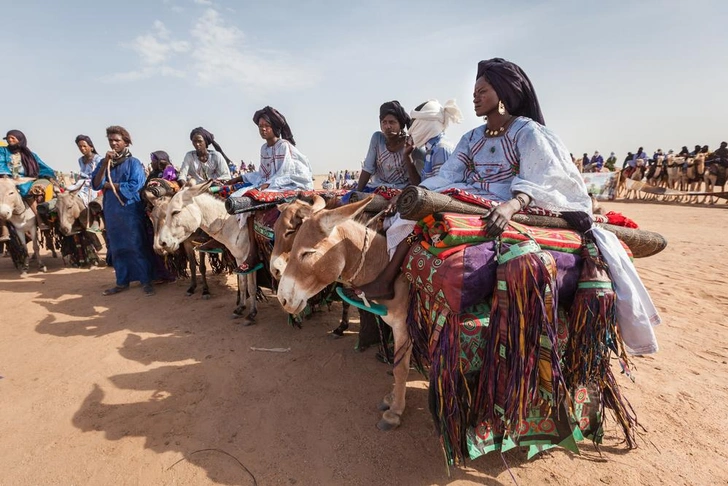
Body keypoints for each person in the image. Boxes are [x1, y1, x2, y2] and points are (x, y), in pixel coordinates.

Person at [356, 58, 593, 300]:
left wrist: (511, 206)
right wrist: (413, 195)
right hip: (471, 196)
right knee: (410, 216)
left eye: (482, 92)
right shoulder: (472, 137)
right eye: (474, 93)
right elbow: (448, 174)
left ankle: (387, 281)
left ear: (503, 94)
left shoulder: (527, 131)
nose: (475, 98)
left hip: (507, 197)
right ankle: (392, 284)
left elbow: (541, 176)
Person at [227, 106, 314, 272]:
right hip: (273, 182)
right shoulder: (264, 148)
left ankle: (253, 252)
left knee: (253, 199)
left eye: (266, 126)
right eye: (260, 127)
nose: (263, 129)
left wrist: (269, 184)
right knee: (240, 194)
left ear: (274, 127)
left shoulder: (284, 146)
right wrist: (242, 177)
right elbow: (263, 173)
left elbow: (286, 171)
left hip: (290, 182)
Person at [91, 126, 157, 296]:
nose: (113, 144)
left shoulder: (133, 163)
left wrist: (111, 185)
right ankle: (122, 281)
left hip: (130, 209)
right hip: (112, 211)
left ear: (126, 142)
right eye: (110, 140)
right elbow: (96, 184)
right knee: (117, 246)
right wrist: (105, 163)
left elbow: (136, 185)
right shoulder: (104, 163)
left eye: (117, 140)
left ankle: (146, 280)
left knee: (137, 245)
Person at [354, 101, 425, 193]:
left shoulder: (410, 144)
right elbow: (368, 168)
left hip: (400, 191)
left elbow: (417, 183)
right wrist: (357, 193)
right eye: (384, 122)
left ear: (401, 124)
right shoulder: (377, 139)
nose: (388, 126)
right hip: (377, 188)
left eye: (392, 122)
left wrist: (407, 156)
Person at [0, 130, 56, 241]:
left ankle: (40, 219)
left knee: (28, 191)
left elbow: (42, 166)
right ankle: (4, 229)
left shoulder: (29, 154)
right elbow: (0, 163)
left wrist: (49, 175)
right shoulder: (3, 151)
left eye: (13, 138)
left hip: (24, 179)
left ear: (20, 140)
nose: (10, 140)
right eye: (8, 138)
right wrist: (5, 175)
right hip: (6, 178)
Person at [66, 135, 102, 202]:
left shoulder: (98, 159)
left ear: (91, 147)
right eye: (80, 146)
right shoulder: (80, 160)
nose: (82, 148)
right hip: (81, 183)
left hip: (94, 185)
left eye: (84, 146)